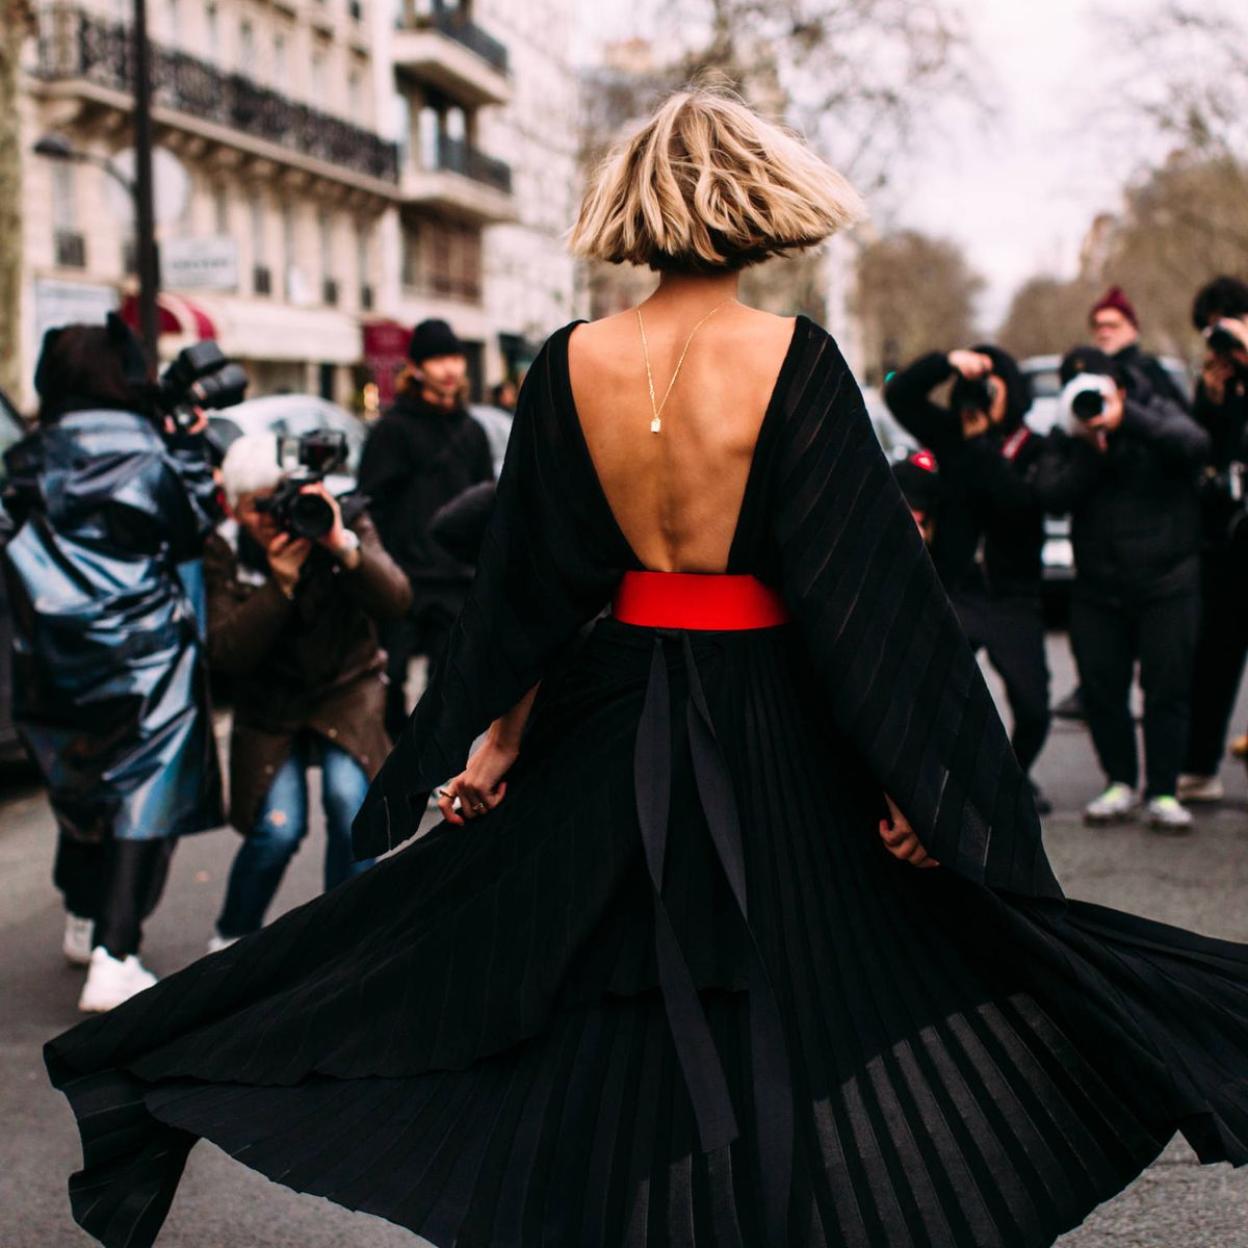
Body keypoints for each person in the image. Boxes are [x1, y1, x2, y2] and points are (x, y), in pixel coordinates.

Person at [47, 90, 1248, 1248]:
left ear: (637, 210)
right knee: (808, 983)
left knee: (587, 995)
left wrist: (497, 744)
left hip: (615, 714)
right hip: (773, 719)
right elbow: (866, 599)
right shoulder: (796, 356)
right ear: (757, 203)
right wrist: (922, 778)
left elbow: (527, 587)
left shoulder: (573, 361)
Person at [3, 316, 223, 1012]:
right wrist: (189, 451)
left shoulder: (28, 458)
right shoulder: (151, 452)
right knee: (142, 795)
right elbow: (192, 533)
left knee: (81, 782)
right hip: (144, 650)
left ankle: (83, 917)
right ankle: (115, 952)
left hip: (51, 649)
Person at [202, 434, 412, 950]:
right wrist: (279, 585)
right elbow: (226, 653)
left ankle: (343, 940)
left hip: (346, 689)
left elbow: (397, 600)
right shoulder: (226, 547)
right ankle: (231, 939)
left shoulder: (337, 516)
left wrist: (342, 547)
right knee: (278, 828)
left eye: (282, 497)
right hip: (270, 706)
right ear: (233, 507)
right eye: (259, 508)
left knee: (350, 803)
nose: (277, 516)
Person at [1030, 346, 1210, 831]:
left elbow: (1195, 445)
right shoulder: (1068, 440)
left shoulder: (1154, 415)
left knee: (1167, 690)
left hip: (1168, 583)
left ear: (1121, 390)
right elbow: (1049, 495)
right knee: (1104, 690)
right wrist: (1089, 449)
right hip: (1097, 590)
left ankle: (1165, 791)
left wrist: (1128, 420)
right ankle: (1120, 783)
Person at [886, 343, 1052, 811]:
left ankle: (1012, 778)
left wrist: (982, 446)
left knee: (1033, 705)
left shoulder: (1032, 447)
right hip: (956, 590)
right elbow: (900, 396)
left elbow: (1020, 505)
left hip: (1012, 596)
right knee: (933, 689)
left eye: (991, 387)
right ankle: (947, 778)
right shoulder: (949, 436)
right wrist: (948, 363)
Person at [357, 318, 495, 740]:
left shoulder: (472, 431)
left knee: (448, 682)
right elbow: (370, 504)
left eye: (454, 357)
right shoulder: (391, 430)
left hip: (456, 578)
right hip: (404, 577)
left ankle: (433, 764)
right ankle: (392, 760)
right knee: (390, 677)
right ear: (415, 367)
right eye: (438, 359)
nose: (450, 368)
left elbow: (485, 502)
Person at [1179, 276, 1248, 803]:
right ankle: (1200, 766)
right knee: (1215, 656)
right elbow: (1202, 453)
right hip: (1226, 543)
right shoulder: (1216, 385)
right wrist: (1213, 396)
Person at [1090, 285, 1191, 410]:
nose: (1104, 333)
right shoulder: (1092, 370)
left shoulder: (1149, 369)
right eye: (1098, 326)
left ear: (1132, 329)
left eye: (1112, 326)